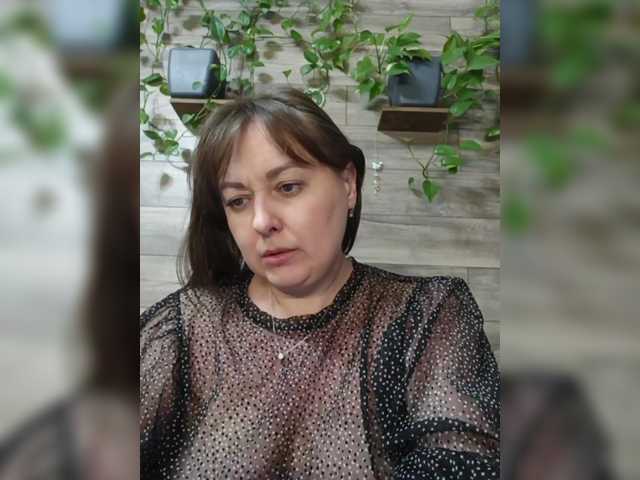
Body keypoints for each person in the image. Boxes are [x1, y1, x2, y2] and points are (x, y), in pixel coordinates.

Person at [140, 87, 500, 479]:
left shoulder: (426, 317)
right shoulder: (182, 330)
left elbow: (462, 456)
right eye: (238, 201)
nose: (261, 221)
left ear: (348, 184)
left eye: (287, 186)